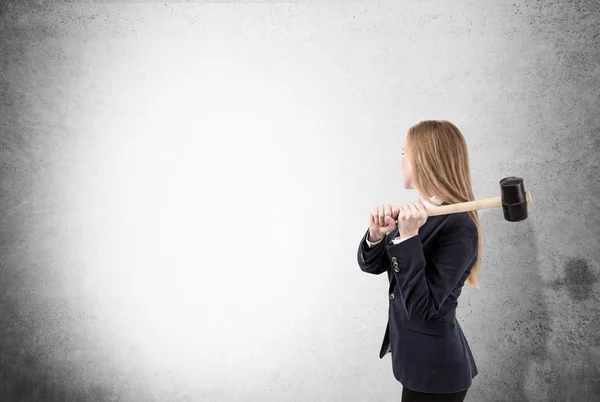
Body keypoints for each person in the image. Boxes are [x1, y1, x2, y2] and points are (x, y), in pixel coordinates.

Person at [356, 120, 483, 402]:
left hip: (437, 371)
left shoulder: (459, 227)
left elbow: (422, 308)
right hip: (415, 362)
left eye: (405, 153)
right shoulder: (418, 213)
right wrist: (377, 235)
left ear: (424, 161)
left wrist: (409, 237)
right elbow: (373, 266)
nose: (400, 160)